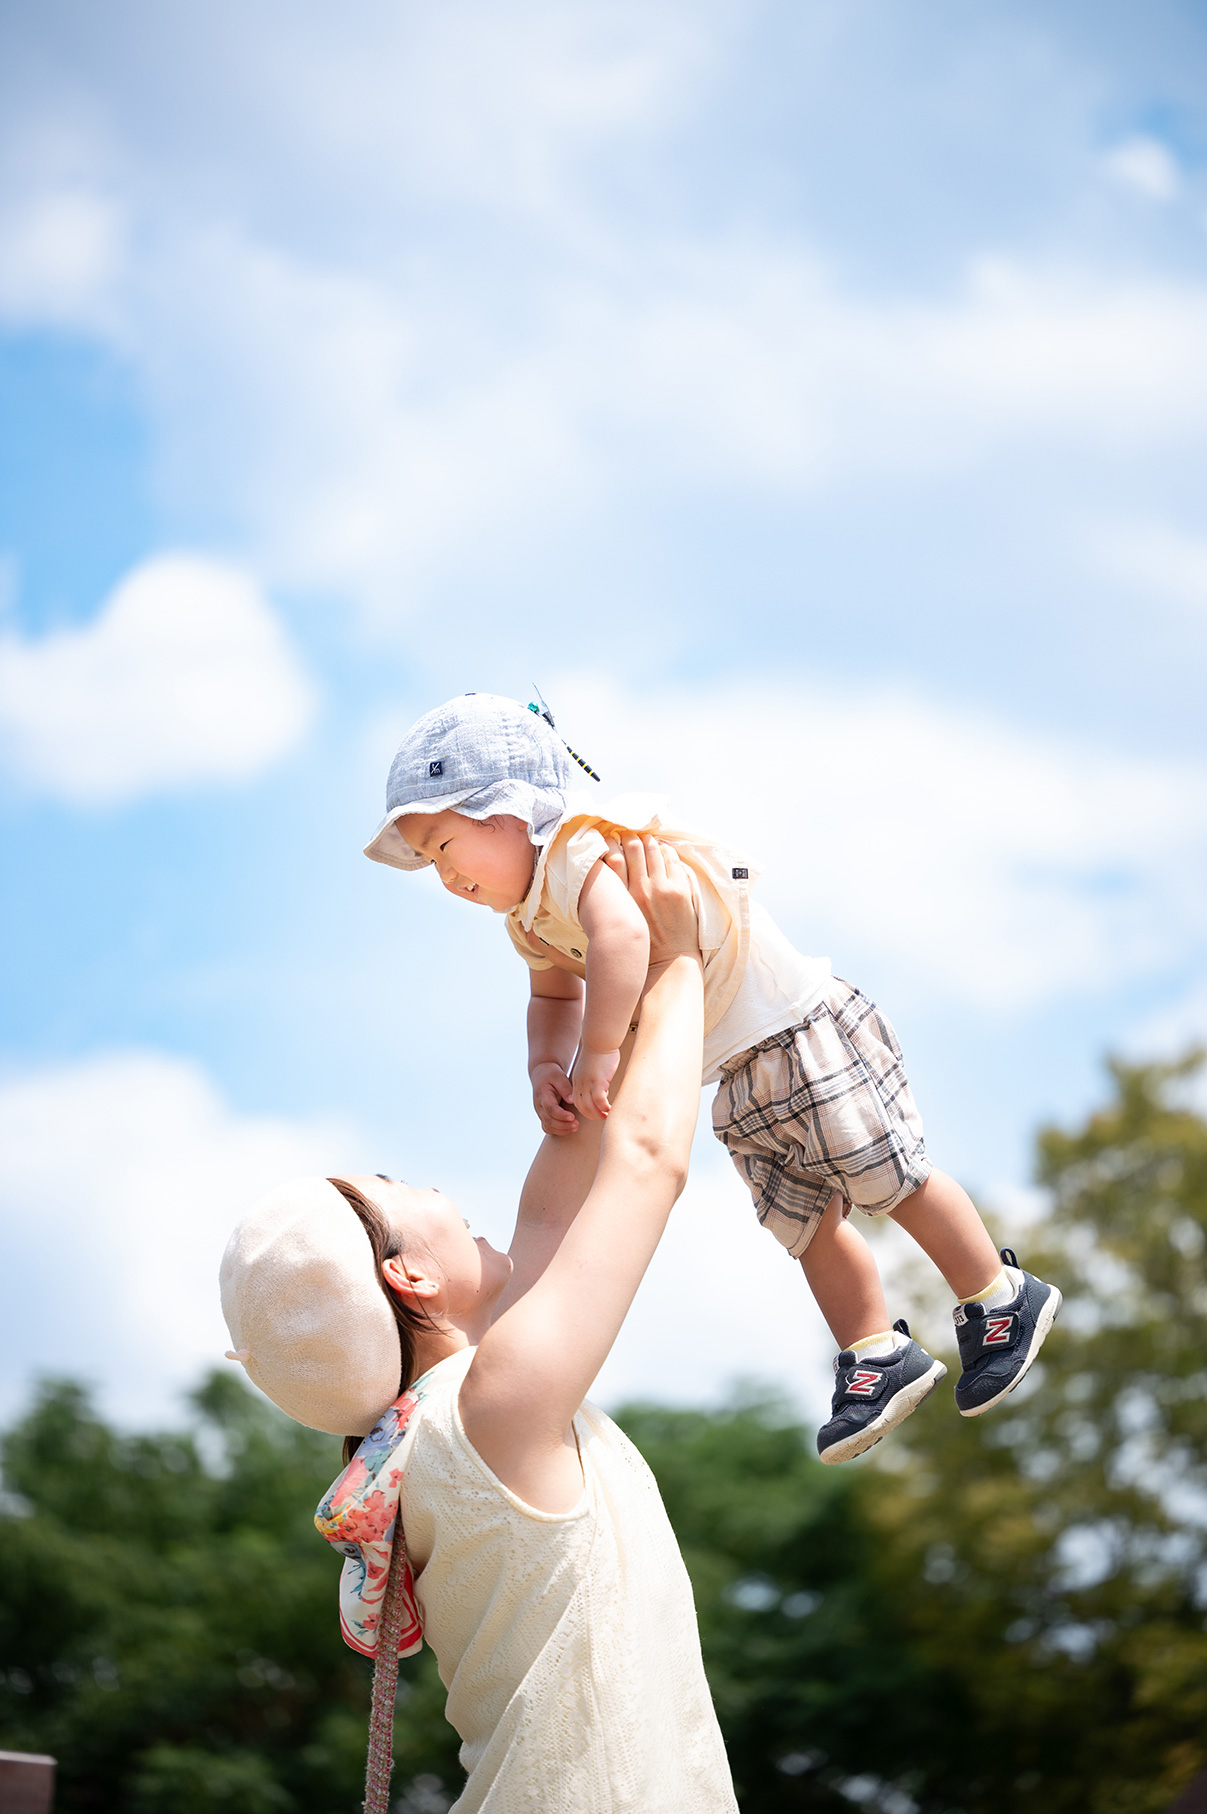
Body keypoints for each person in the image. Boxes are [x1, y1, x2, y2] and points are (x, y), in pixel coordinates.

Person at [363, 691, 1062, 1465]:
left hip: (797, 1028)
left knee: (885, 1176)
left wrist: (598, 1057)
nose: (442, 875)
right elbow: (551, 993)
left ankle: (995, 1293)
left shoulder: (579, 849)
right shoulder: (525, 917)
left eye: (443, 844)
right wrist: (545, 1064)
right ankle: (873, 1353)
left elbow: (625, 938)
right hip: (733, 1070)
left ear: (506, 812)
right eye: (427, 860)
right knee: (804, 1225)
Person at [220, 836, 739, 1814]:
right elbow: (649, 1162)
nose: (436, 1185)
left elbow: (556, 1208)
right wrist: (675, 957)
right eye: (401, 1186)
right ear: (408, 1273)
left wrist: (597, 1003)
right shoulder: (491, 1408)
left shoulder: (445, 1425)